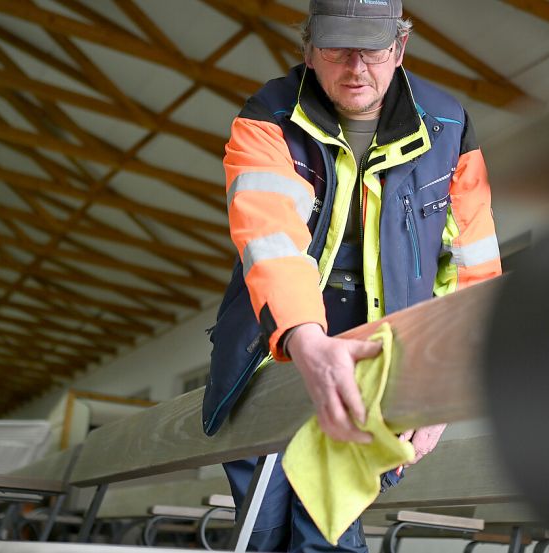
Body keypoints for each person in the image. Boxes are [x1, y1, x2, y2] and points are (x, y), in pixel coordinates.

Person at [201, 0, 502, 550]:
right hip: (274, 350)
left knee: (328, 528)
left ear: (400, 48)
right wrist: (307, 343)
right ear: (309, 50)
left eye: (373, 50)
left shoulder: (450, 129)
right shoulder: (267, 117)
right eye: (338, 49)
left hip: (378, 359)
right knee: (262, 527)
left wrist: (447, 389)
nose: (356, 67)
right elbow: (272, 243)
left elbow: (473, 272)